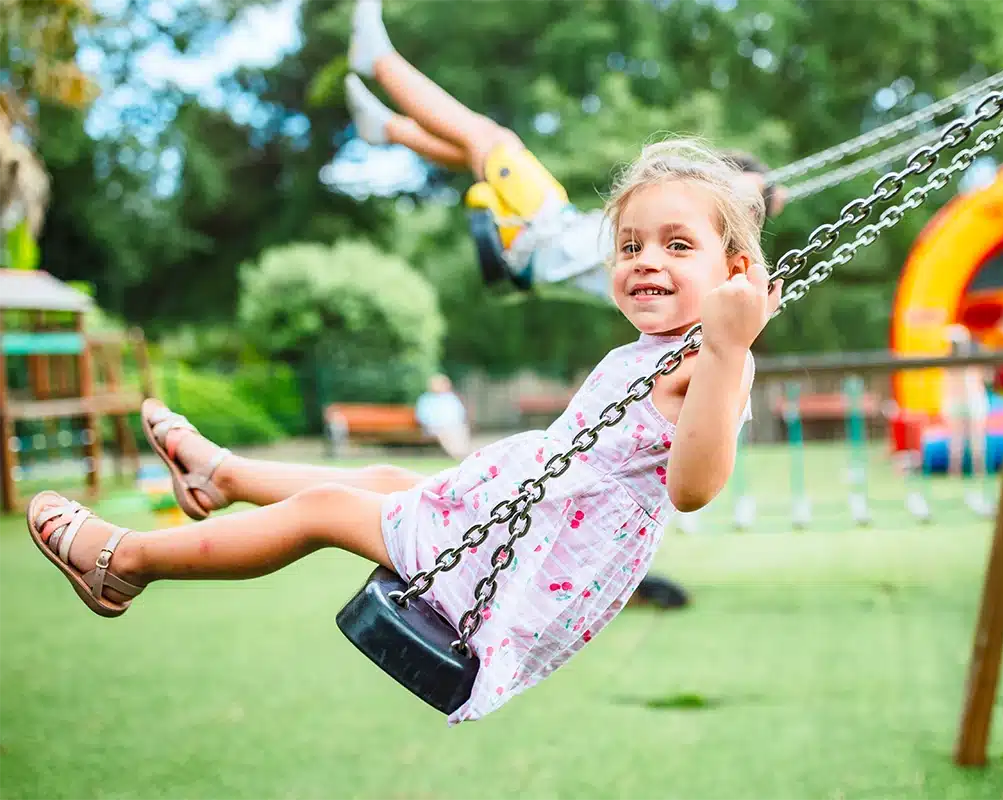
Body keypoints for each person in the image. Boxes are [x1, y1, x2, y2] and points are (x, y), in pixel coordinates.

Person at [26, 136, 780, 726]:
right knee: (384, 484)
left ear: (735, 269)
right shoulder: (660, 348)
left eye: (678, 246)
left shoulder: (717, 358)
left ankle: (126, 562)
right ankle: (221, 475)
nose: (648, 262)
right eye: (631, 246)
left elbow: (693, 489)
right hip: (521, 513)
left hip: (536, 554)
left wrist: (728, 346)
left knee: (327, 513)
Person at [342, 0, 786, 301]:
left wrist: (763, 189)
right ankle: (387, 128)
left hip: (541, 236)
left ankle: (380, 61)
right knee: (480, 153)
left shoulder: (701, 253)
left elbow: (739, 201)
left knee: (490, 140)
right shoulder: (677, 237)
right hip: (552, 231)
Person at [941, 324, 992, 514]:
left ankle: (979, 471)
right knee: (957, 440)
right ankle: (955, 472)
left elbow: (985, 376)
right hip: (958, 401)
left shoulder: (973, 357)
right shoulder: (949, 361)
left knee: (977, 439)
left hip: (972, 400)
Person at [415, 373, 472, 460]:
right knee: (446, 433)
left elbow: (459, 413)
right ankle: (459, 455)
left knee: (460, 431)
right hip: (434, 427)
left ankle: (463, 454)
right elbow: (423, 416)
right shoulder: (426, 399)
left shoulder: (450, 397)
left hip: (453, 426)